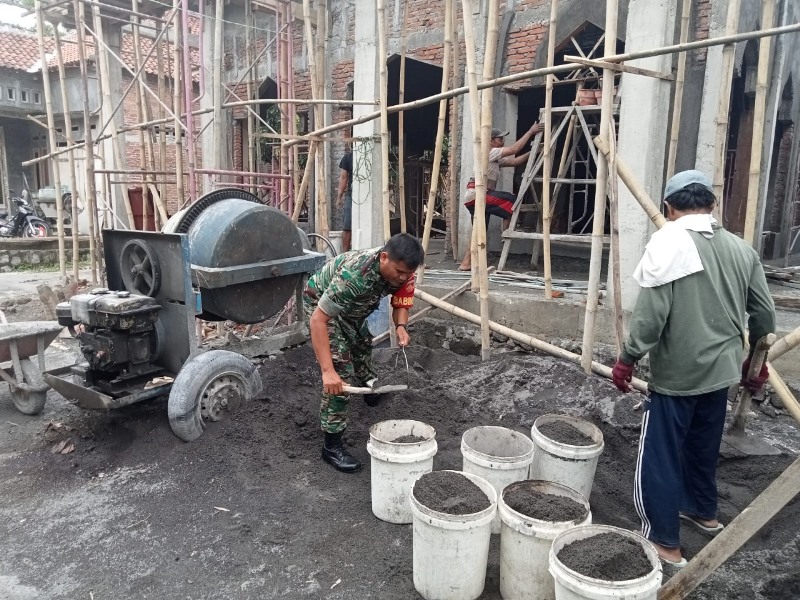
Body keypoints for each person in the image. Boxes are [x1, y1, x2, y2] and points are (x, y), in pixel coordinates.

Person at [611, 170, 776, 567]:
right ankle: (702, 511)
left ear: (669, 207)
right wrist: (758, 360)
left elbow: (651, 317)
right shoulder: (740, 249)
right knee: (702, 447)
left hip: (679, 375)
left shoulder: (668, 242)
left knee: (661, 455)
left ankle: (665, 542)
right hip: (721, 373)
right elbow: (765, 316)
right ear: (712, 205)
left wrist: (628, 358)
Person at [303, 233, 425, 473]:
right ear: (384, 258)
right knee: (340, 373)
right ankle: (331, 445)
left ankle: (370, 389)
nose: (402, 278)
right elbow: (318, 320)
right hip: (321, 303)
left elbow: (401, 301)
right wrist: (327, 371)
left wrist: (401, 326)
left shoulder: (404, 272)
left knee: (362, 344)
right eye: (399, 272)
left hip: (352, 308)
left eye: (407, 274)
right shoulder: (353, 278)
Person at [459, 122, 543, 271]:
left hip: (475, 196)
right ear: (491, 140)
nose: (502, 141)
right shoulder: (489, 151)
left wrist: (534, 151)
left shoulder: (494, 157)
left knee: (479, 231)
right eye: (499, 139)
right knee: (511, 199)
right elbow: (514, 149)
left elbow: (515, 161)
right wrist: (530, 131)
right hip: (477, 195)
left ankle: (466, 263)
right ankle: (505, 232)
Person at [336, 150, 353, 252]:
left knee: (348, 226)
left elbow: (343, 178)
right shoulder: (348, 158)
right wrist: (339, 196)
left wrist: (339, 197)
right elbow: (343, 178)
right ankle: (344, 254)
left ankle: (346, 252)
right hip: (352, 195)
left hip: (364, 195)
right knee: (347, 226)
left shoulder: (348, 157)